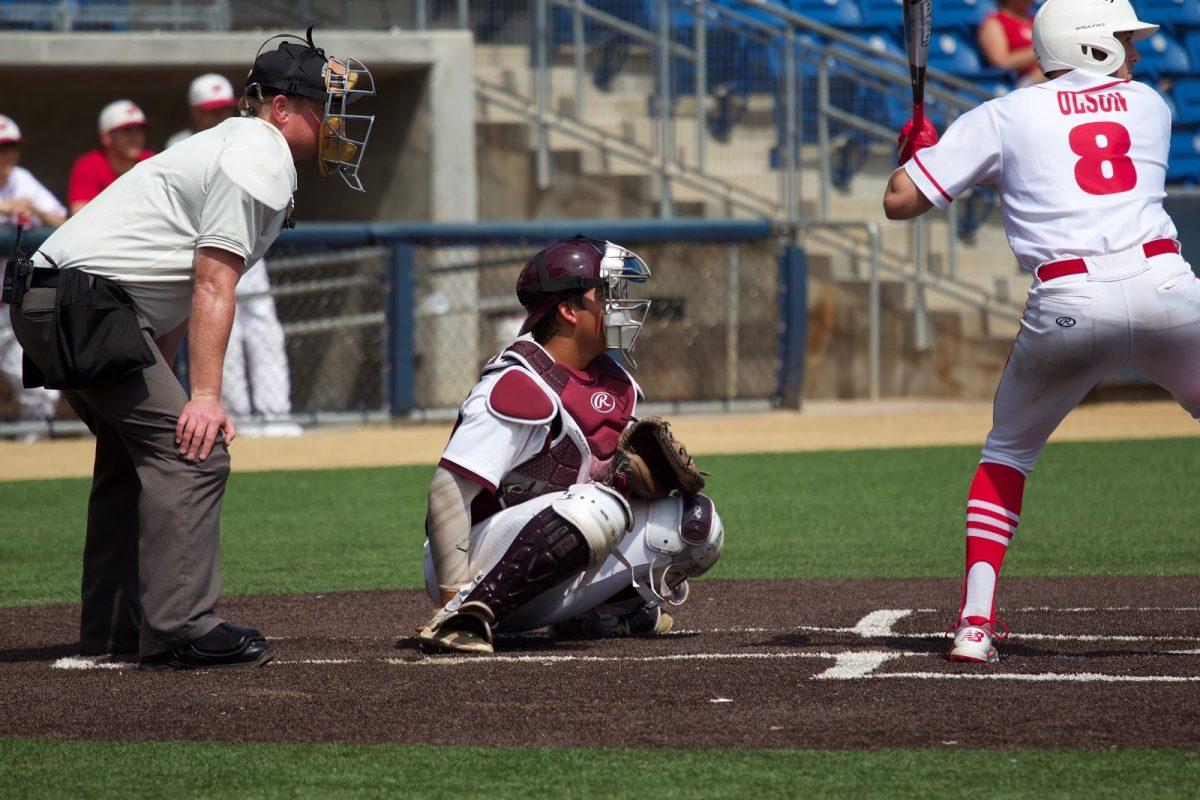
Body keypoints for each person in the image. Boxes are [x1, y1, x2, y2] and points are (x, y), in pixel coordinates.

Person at [4, 28, 374, 669]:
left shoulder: (241, 148)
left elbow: (167, 294)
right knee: (194, 457)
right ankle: (180, 626)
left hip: (65, 300)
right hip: (83, 305)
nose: (335, 119)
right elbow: (211, 282)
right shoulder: (256, 152)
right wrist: (203, 396)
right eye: (323, 104)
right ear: (280, 108)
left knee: (132, 458)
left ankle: (112, 630)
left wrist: (178, 383)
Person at [884, 0, 1195, 663]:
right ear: (1090, 47)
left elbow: (900, 202)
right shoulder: (1152, 108)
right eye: (1122, 39)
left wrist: (916, 157)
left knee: (1007, 452)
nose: (1135, 52)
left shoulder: (1005, 114)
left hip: (1069, 300)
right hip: (1168, 290)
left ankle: (972, 626)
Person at [417, 235, 724, 654]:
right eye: (607, 293)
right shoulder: (519, 382)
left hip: (558, 547)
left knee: (697, 527)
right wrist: (452, 594)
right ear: (568, 310)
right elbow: (447, 494)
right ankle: (460, 620)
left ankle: (603, 615)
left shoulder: (616, 383)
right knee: (598, 506)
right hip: (472, 564)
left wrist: (638, 483)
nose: (619, 304)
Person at [168, 74, 300, 437]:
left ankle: (276, 414)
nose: (217, 115)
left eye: (222, 108)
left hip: (246, 246)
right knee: (224, 332)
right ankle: (240, 413)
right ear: (195, 111)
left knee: (264, 328)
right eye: (209, 110)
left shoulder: (251, 137)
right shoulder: (182, 144)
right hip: (210, 248)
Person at [0, 114, 65, 432]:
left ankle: (33, 446)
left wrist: (34, 211)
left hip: (11, 302)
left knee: (30, 380)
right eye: (1, 148)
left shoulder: (22, 179)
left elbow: (62, 223)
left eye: (11, 147)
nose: (6, 155)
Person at [67, 100, 155, 214]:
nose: (135, 137)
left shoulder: (151, 161)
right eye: (127, 131)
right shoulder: (89, 165)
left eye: (140, 129)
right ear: (106, 137)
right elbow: (79, 215)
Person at [978, 0, 1043, 87]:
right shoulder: (994, 22)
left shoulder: (1038, 20)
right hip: (1021, 83)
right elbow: (1001, 62)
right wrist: (1042, 50)